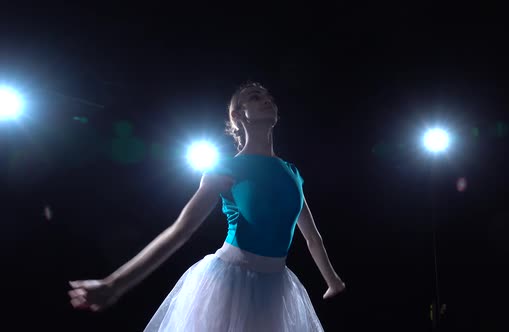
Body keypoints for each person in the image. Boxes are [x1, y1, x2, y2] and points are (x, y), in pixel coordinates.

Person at [68, 82, 346, 331]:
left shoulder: (291, 172)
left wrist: (332, 280)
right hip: (231, 282)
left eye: (268, 96)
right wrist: (115, 284)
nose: (266, 100)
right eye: (254, 96)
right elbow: (180, 230)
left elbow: (312, 237)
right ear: (238, 116)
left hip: (276, 286)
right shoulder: (226, 169)